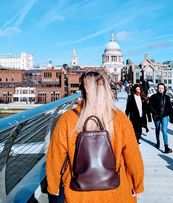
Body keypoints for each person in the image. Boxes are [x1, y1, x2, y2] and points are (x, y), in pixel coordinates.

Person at [46, 71, 144, 203]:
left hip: (78, 193)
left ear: (83, 91)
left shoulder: (68, 119)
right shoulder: (120, 119)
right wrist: (137, 185)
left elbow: (55, 156)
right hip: (116, 191)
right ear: (107, 90)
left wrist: (53, 186)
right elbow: (133, 157)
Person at [149, 83, 173, 153]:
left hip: (164, 116)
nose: (160, 89)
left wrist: (171, 117)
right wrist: (155, 112)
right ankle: (158, 141)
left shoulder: (167, 97)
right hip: (156, 116)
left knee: (164, 130)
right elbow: (150, 107)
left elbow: (170, 108)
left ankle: (166, 147)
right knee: (157, 129)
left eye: (162, 88)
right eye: (159, 88)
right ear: (157, 89)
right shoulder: (153, 97)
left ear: (164, 89)